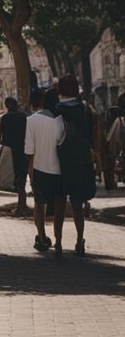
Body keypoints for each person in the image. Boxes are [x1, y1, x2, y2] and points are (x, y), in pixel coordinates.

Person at [54, 75, 94, 256]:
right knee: (77, 203)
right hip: (80, 160)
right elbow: (90, 136)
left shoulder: (57, 108)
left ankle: (59, 242)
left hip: (61, 159)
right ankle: (79, 240)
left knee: (60, 203)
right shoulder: (84, 109)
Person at [25, 88, 66, 255]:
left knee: (39, 205)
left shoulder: (31, 121)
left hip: (39, 168)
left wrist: (30, 173)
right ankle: (58, 240)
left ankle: (42, 237)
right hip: (59, 170)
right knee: (59, 205)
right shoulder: (60, 121)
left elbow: (30, 151)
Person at [0, 96, 29, 215]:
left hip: (9, 150)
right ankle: (22, 204)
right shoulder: (24, 117)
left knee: (13, 180)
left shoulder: (4, 118)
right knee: (21, 179)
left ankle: (21, 206)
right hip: (23, 150)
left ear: (6, 106)